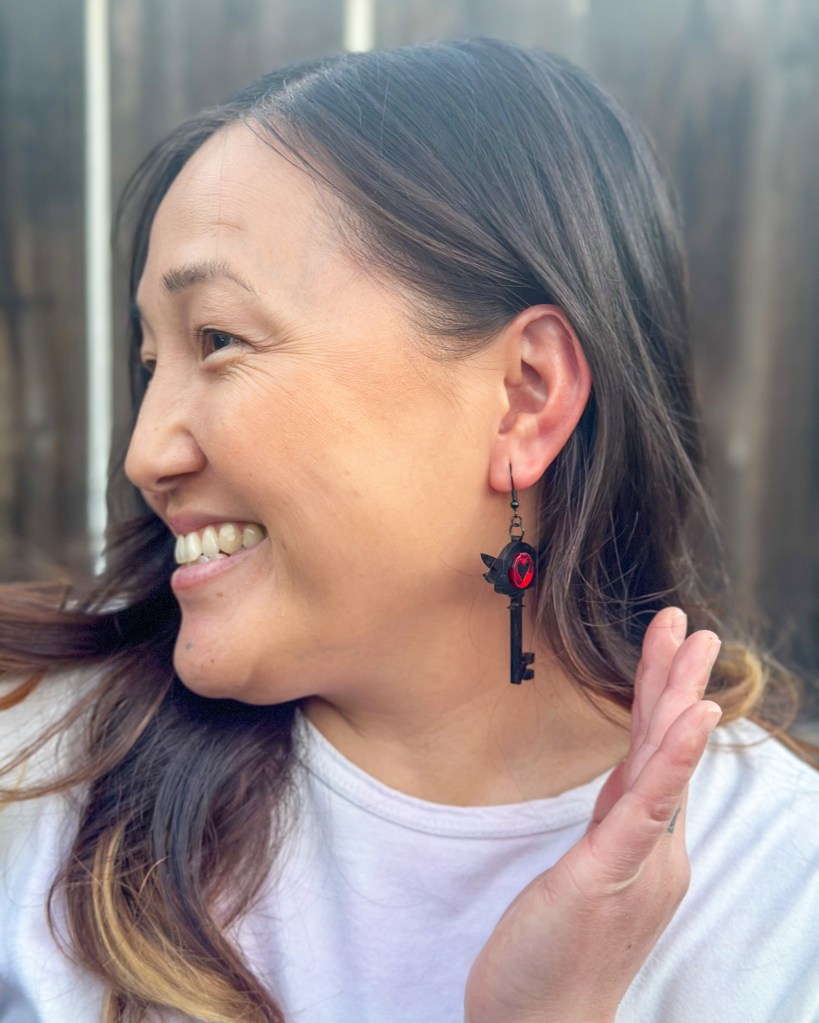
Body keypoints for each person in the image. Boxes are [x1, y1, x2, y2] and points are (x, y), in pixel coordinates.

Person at [1, 37, 817, 1023]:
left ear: (522, 397)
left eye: (217, 340)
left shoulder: (782, 903)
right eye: (150, 364)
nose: (145, 454)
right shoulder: (33, 773)